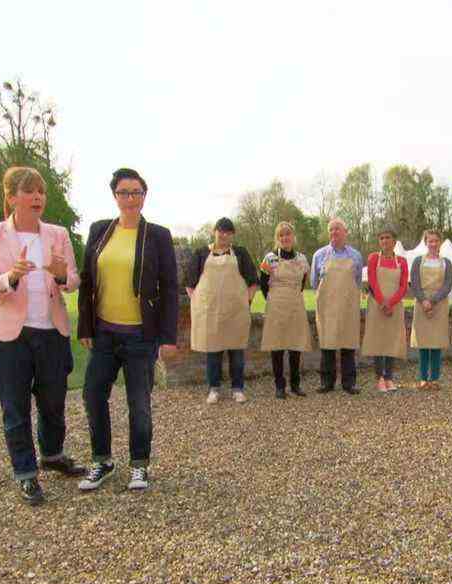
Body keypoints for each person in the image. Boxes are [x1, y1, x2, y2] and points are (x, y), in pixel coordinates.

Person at [0, 166, 84, 505]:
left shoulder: (57, 233)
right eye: (30, 191)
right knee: (16, 407)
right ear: (11, 198)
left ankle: (51, 455)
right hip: (7, 336)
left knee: (53, 401)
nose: (38, 197)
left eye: (41, 191)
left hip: (51, 331)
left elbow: (74, 280)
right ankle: (25, 473)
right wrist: (11, 276)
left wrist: (61, 273)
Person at [76, 167, 179, 492]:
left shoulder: (158, 235)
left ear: (144, 196)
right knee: (93, 393)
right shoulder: (100, 231)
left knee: (139, 402)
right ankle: (102, 460)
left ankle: (139, 465)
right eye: (124, 192)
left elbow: (170, 286)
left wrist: (168, 337)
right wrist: (85, 325)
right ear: (115, 196)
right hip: (105, 333)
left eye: (136, 192)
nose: (130, 198)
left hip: (140, 336)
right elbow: (87, 281)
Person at [188, 217, 259, 403]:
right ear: (215, 231)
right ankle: (214, 389)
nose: (224, 235)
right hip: (211, 313)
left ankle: (238, 388)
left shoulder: (241, 254)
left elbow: (253, 282)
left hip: (236, 312)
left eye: (228, 232)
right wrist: (198, 303)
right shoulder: (202, 253)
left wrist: (247, 301)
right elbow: (190, 283)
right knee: (213, 351)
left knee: (236, 352)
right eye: (221, 231)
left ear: (232, 235)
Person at [259, 222, 312, 399]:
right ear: (277, 238)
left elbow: (303, 283)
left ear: (293, 236)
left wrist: (291, 294)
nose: (285, 238)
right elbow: (263, 284)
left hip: (295, 305)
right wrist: (275, 298)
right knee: (277, 347)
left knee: (296, 346)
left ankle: (295, 385)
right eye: (281, 235)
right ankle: (279, 386)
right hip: (276, 306)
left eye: (287, 234)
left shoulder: (303, 259)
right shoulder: (269, 259)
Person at [311, 218, 364, 394]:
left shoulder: (356, 256)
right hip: (327, 307)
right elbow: (314, 282)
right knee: (327, 344)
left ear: (345, 232)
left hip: (348, 306)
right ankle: (327, 382)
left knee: (348, 344)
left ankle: (349, 383)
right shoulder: (319, 255)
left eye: (337, 229)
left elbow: (357, 281)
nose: (334, 232)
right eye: (331, 230)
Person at [360, 228, 409, 392]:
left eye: (388, 238)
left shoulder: (402, 261)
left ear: (394, 241)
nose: (385, 241)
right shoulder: (373, 258)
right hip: (376, 306)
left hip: (395, 307)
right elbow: (372, 282)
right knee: (378, 341)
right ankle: (379, 377)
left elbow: (403, 286)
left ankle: (389, 377)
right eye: (381, 238)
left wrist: (392, 303)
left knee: (391, 341)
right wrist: (382, 303)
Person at [409, 230, 452, 389]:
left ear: (440, 242)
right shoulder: (417, 261)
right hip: (421, 304)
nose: (433, 244)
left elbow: (448, 284)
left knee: (436, 342)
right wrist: (424, 301)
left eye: (436, 241)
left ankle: (434, 378)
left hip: (440, 304)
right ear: (425, 242)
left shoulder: (447, 262)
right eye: (430, 241)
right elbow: (414, 284)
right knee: (423, 342)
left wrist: (433, 301)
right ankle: (423, 378)